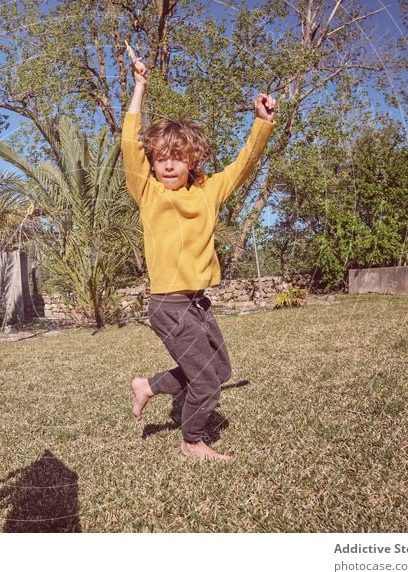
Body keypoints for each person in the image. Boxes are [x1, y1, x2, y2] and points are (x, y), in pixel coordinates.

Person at [123, 56, 276, 461]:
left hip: (196, 301)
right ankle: (192, 442)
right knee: (206, 383)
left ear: (192, 159)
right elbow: (128, 145)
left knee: (220, 371)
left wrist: (261, 122)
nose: (168, 163)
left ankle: (149, 386)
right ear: (152, 163)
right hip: (168, 305)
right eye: (160, 158)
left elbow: (245, 164)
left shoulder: (208, 191)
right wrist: (139, 88)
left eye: (177, 156)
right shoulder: (149, 194)